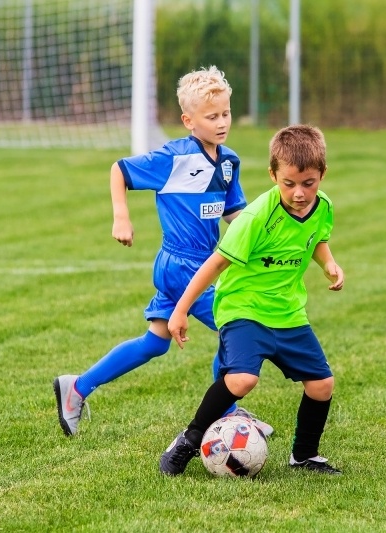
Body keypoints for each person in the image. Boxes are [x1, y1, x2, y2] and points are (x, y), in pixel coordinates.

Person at [53, 66, 272, 438]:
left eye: (226, 114)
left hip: (200, 262)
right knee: (236, 329)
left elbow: (235, 214)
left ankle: (76, 387)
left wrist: (262, 245)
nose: (222, 123)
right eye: (211, 116)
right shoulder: (174, 158)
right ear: (188, 120)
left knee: (155, 341)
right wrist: (121, 217)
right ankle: (228, 414)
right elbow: (119, 170)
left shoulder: (229, 162)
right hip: (181, 263)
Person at [158, 124, 345, 476]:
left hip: (287, 312)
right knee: (243, 379)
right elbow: (215, 263)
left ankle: (304, 455)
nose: (300, 193)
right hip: (242, 307)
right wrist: (181, 309)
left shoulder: (323, 208)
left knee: (322, 385)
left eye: (309, 183)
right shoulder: (257, 216)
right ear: (273, 174)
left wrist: (329, 263)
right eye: (289, 183)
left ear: (322, 175)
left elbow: (317, 238)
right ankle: (189, 439)